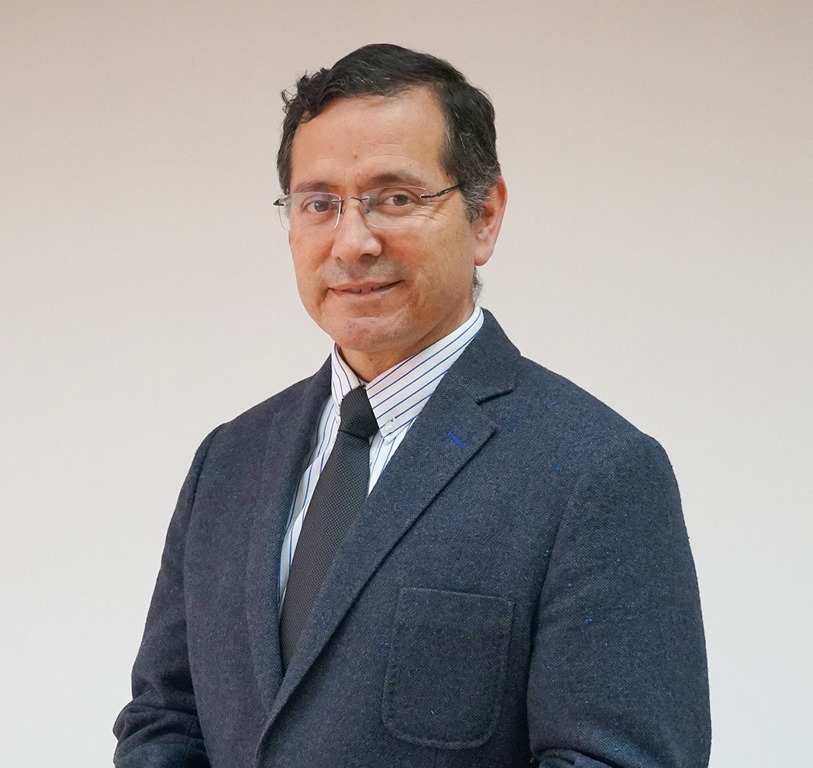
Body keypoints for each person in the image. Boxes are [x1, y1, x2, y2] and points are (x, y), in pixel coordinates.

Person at [114, 43, 710, 768]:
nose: (352, 242)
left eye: (394, 198)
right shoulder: (229, 461)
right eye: (319, 204)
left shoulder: (596, 473)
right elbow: (166, 719)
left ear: (484, 216)